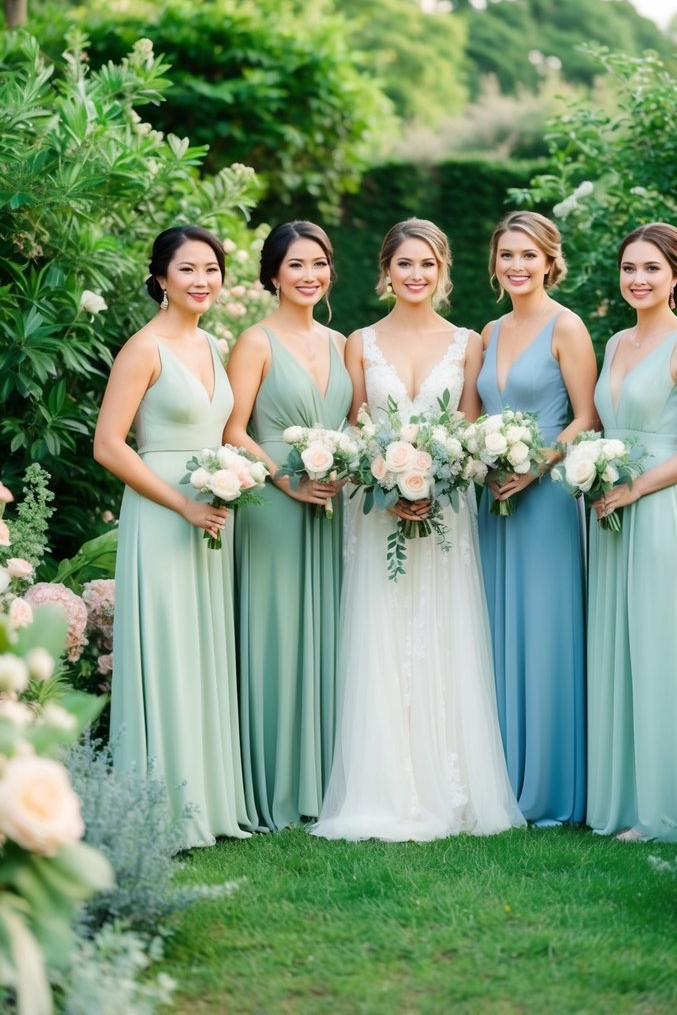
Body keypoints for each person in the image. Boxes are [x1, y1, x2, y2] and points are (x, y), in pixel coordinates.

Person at [311, 219, 524, 841]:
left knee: (443, 629)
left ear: (443, 270)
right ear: (386, 271)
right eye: (404, 264)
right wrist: (387, 477)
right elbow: (353, 428)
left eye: (427, 264)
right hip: (374, 510)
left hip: (448, 512)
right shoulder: (359, 342)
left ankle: (448, 783)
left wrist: (436, 481)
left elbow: (467, 429)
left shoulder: (467, 343)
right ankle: (382, 786)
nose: (416, 275)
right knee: (378, 632)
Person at [94, 225, 253, 849]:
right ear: (161, 278)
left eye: (211, 269)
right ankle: (160, 810)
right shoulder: (144, 348)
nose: (202, 281)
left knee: (202, 646)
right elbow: (108, 445)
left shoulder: (211, 345)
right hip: (165, 512)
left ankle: (209, 804)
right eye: (188, 270)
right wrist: (183, 504)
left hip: (210, 511)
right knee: (166, 647)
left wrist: (236, 479)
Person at [587, 222, 677, 842]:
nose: (638, 280)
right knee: (620, 646)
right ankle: (624, 797)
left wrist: (637, 487)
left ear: (675, 276)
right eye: (629, 269)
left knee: (658, 648)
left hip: (661, 509)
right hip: (611, 509)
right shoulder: (616, 342)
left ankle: (666, 808)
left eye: (650, 269)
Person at [224, 221, 352, 830]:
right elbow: (233, 429)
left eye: (319, 263)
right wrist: (284, 480)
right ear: (273, 273)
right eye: (297, 264)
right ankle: (272, 784)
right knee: (277, 635)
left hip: (330, 504)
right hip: (276, 503)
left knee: (326, 633)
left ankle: (324, 781)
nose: (310, 275)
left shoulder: (339, 341)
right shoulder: (256, 340)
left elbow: (357, 422)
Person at [478, 211, 597, 825]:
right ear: (495, 264)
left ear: (551, 260)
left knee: (545, 633)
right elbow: (476, 413)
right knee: (496, 632)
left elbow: (585, 417)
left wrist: (540, 462)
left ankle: (551, 787)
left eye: (528, 255)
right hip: (493, 500)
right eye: (506, 255)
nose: (517, 266)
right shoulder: (491, 330)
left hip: (546, 496)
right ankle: (500, 775)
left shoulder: (567, 326)